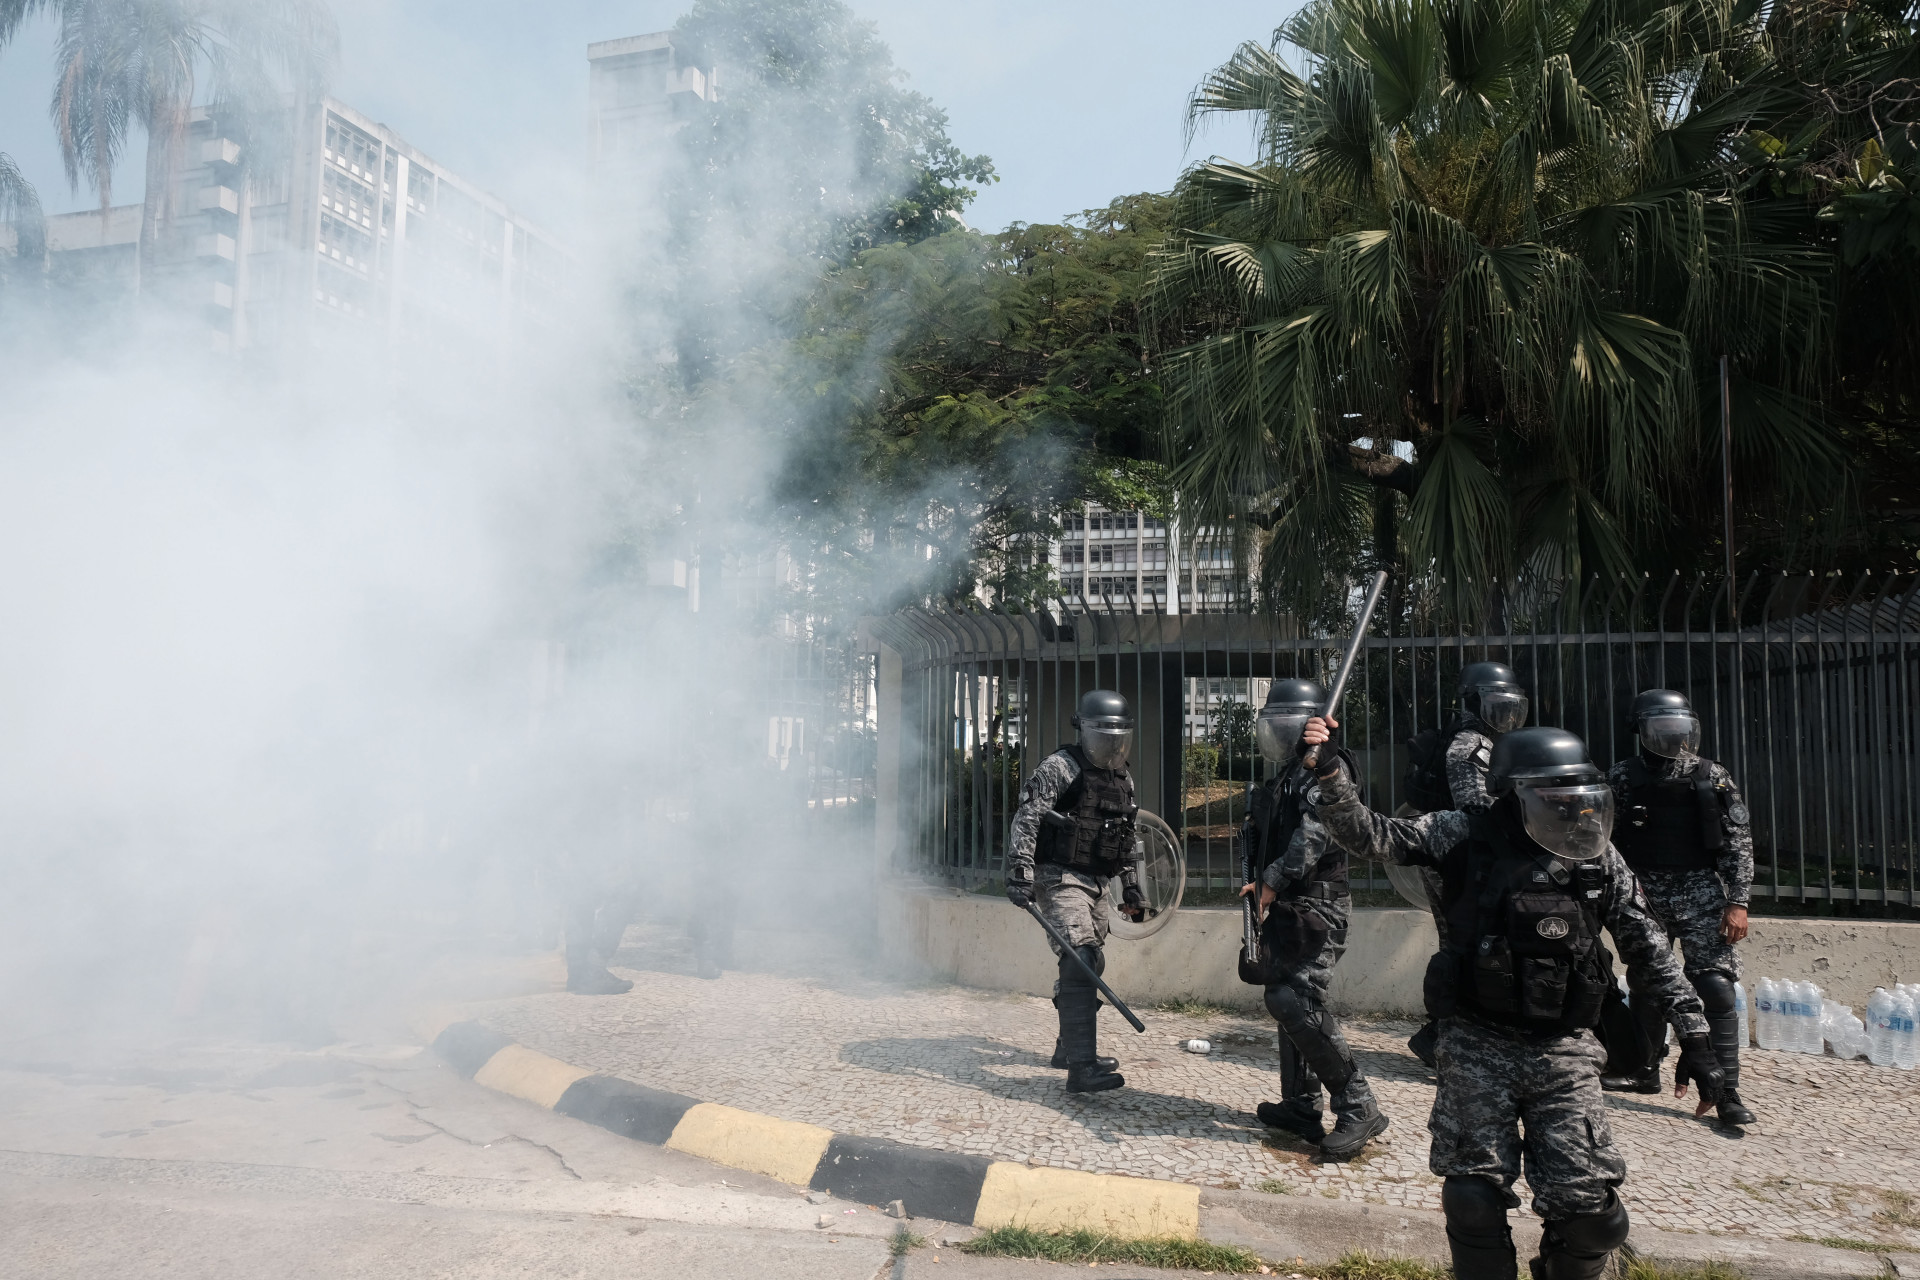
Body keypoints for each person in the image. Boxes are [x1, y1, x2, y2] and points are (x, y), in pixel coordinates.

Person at [1298, 714, 1724, 1280]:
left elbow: (1648, 947)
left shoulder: (1594, 855)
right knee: (1473, 1200)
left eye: (1576, 796)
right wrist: (1330, 771)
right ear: (1513, 794)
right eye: (1552, 798)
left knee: (1592, 1217)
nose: (1569, 810)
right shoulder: (1462, 832)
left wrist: (1695, 1034)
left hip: (1566, 1049)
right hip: (1477, 1042)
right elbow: (1370, 834)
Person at [1236, 680, 1391, 1161]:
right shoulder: (1288, 773)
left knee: (1293, 998)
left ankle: (1359, 1105)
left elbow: (1316, 835)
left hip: (1318, 904)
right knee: (1286, 998)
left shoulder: (1331, 767)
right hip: (1290, 902)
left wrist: (1272, 882)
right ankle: (1301, 1105)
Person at [1599, 690, 1757, 1127]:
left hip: (1701, 893)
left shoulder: (1712, 776)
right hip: (1643, 891)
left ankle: (1727, 1091)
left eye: (1680, 730)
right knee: (1648, 984)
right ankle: (1643, 1070)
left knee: (1717, 990)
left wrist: (1737, 901)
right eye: (1662, 730)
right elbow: (1601, 836)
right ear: (1641, 730)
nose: (1673, 739)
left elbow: (1737, 844)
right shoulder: (1623, 776)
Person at [1006, 689, 1146, 1094]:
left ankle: (1068, 1048)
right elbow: (1027, 818)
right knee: (1079, 957)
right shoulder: (1060, 767)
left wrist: (1133, 887)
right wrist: (1020, 873)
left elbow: (1126, 835)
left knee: (1091, 962)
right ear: (1083, 729)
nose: (1112, 744)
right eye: (1104, 735)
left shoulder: (1122, 776)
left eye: (1118, 736)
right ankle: (1081, 1069)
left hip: (1097, 881)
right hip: (1059, 877)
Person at [1405, 661, 1532, 1068]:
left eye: (1511, 707)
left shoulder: (1490, 742)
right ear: (1475, 703)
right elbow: (1474, 810)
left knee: (1468, 943)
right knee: (1461, 944)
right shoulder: (1469, 746)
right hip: (1454, 859)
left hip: (1467, 859)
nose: (1506, 716)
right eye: (1497, 706)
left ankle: (1443, 1035)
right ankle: (1441, 1039)